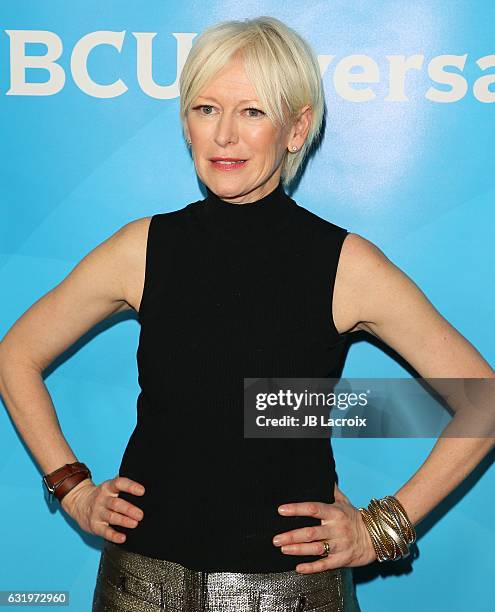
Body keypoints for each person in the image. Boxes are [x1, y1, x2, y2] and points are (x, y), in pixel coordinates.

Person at [0, 15, 494, 612]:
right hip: (139, 583)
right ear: (186, 122)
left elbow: (483, 401)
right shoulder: (142, 248)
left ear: (296, 128)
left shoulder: (345, 264)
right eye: (206, 108)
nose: (224, 135)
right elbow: (16, 354)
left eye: (252, 111)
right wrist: (71, 487)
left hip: (292, 591)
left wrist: (383, 527)